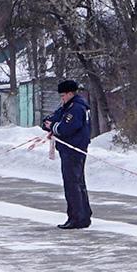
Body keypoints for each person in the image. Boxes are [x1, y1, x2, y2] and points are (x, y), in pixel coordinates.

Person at [41, 79, 93, 230]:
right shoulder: (67, 106)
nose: (61, 98)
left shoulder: (76, 108)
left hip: (73, 149)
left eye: (63, 95)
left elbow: (66, 128)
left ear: (70, 93)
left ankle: (77, 217)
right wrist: (51, 124)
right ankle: (82, 215)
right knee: (77, 183)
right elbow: (49, 120)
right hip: (67, 149)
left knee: (73, 184)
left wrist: (54, 127)